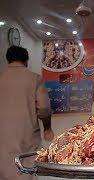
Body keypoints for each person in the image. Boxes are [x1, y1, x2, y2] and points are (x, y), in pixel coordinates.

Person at [0, 46, 54, 180]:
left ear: (8, 59)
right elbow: (44, 108)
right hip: (27, 137)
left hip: (3, 138)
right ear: (26, 60)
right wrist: (47, 128)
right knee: (26, 172)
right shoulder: (34, 79)